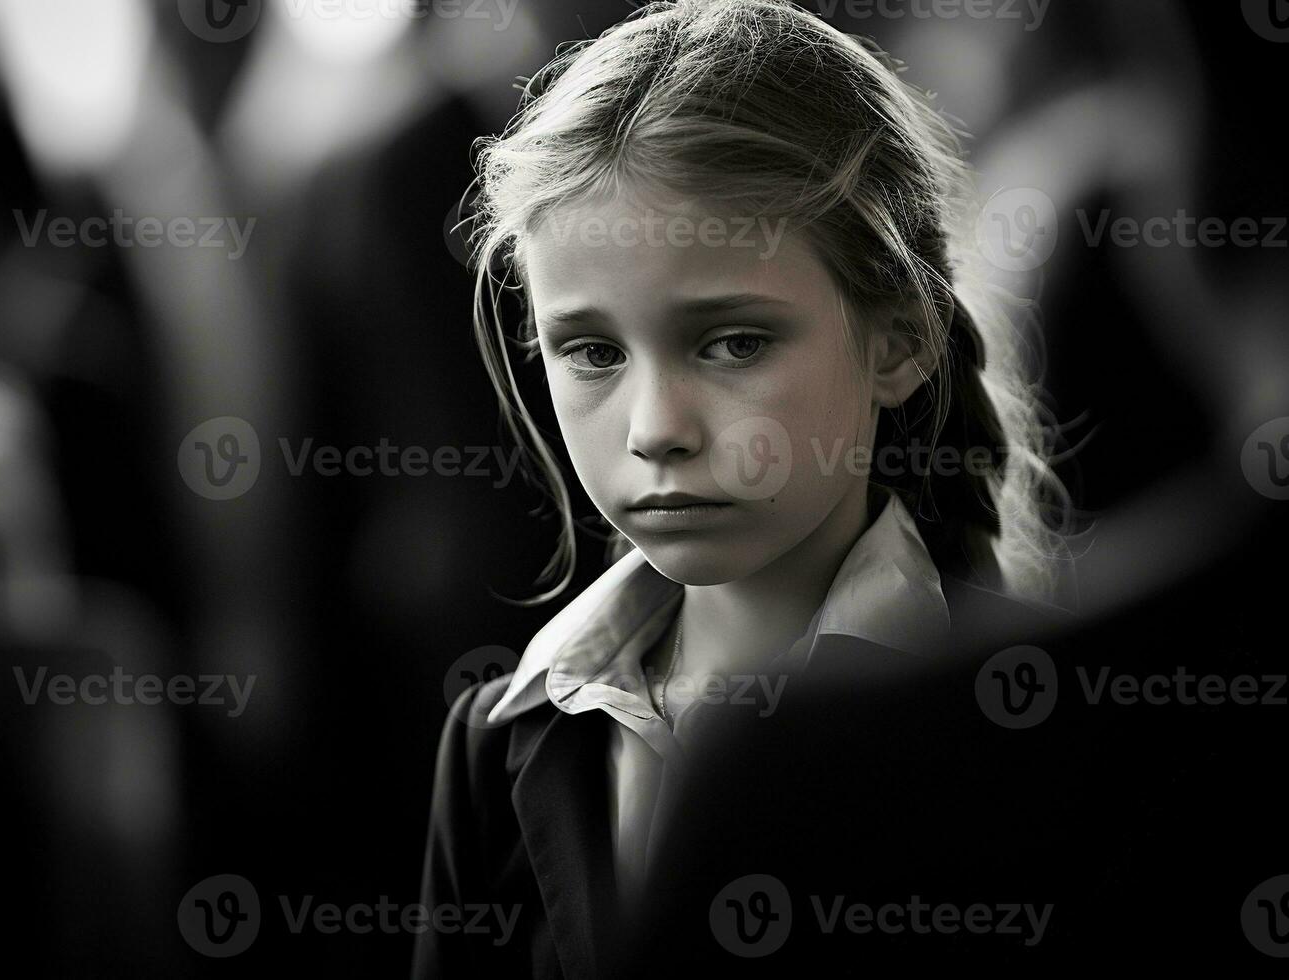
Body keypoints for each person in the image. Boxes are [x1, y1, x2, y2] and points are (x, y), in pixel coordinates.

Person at [414, 1, 1077, 975]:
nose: (656, 430)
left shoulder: (1033, 738)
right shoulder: (501, 742)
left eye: (733, 342)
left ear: (898, 338)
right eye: (592, 350)